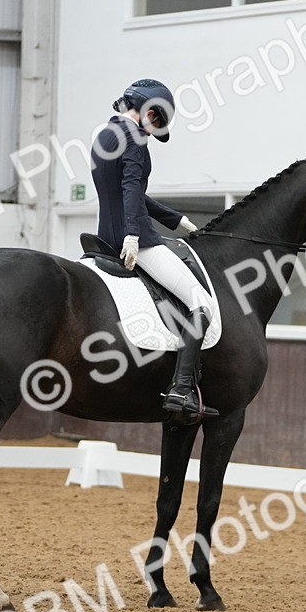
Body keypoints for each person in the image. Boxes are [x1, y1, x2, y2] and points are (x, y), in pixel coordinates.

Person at [89, 79, 215, 424]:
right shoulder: (135, 140)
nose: (155, 128)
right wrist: (133, 235)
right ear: (149, 110)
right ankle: (182, 388)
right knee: (200, 304)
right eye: (157, 121)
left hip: (105, 237)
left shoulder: (104, 135)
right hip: (138, 241)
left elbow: (129, 194)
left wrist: (178, 221)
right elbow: (131, 189)